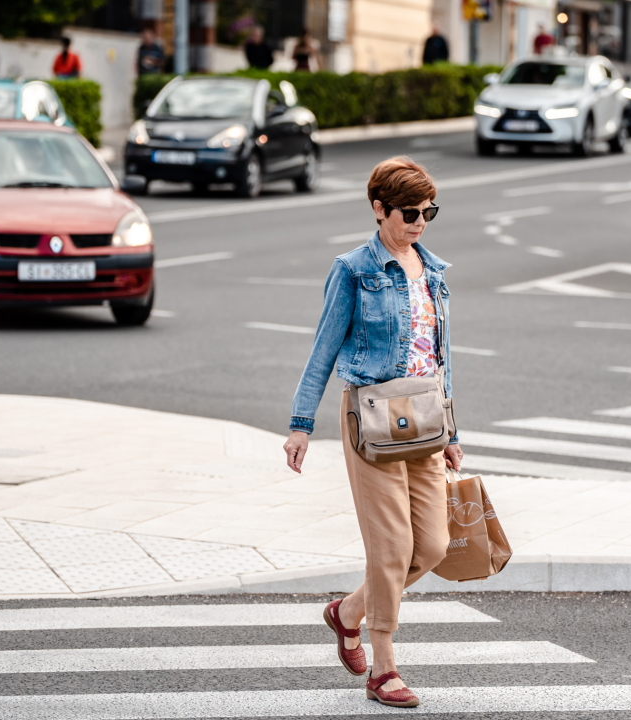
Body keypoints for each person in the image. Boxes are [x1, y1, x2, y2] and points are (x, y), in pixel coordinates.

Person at [284, 157, 463, 709]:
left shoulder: (431, 269)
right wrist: (300, 424)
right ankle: (383, 667)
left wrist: (453, 430)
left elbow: (441, 354)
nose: (420, 223)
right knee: (391, 549)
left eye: (428, 211)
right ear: (379, 209)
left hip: (426, 418)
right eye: (410, 212)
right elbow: (323, 348)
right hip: (372, 418)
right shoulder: (353, 269)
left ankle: (347, 612)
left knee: (431, 546)